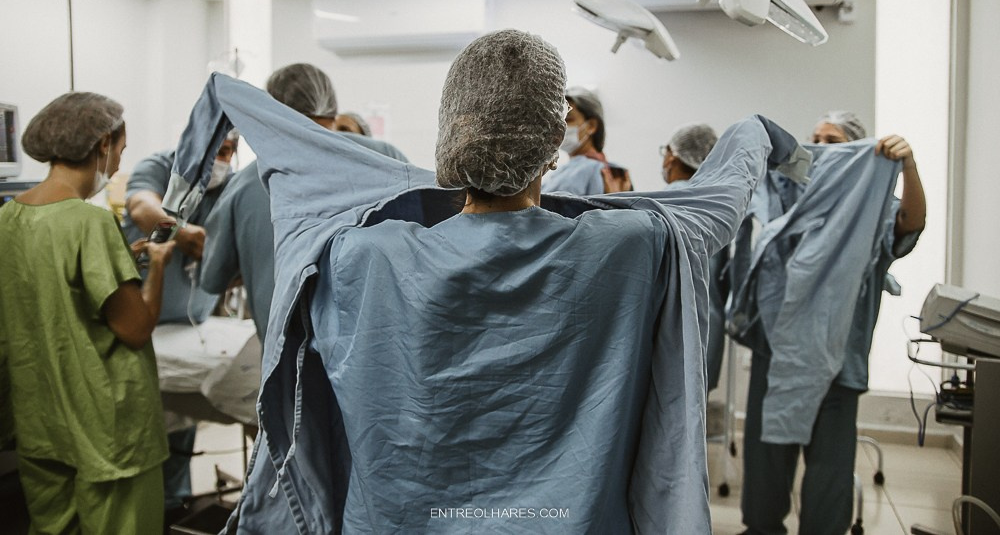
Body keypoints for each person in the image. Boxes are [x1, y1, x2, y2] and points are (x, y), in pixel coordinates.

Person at [165, 29, 810, 533]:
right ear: (554, 142)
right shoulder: (634, 244)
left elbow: (300, 187)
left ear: (451, 133)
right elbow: (721, 198)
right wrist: (766, 136)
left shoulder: (359, 257)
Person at [737, 110, 926, 535]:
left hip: (837, 357)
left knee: (828, 472)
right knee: (766, 462)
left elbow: (910, 224)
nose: (820, 147)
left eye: (834, 141)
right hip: (778, 351)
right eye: (814, 138)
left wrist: (907, 166)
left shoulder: (870, 209)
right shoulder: (789, 195)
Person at [0, 92, 174, 533]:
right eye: (120, 151)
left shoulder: (8, 219)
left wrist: (118, 260)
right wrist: (156, 266)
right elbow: (134, 328)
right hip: (108, 432)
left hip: (41, 427)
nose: (117, 165)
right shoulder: (90, 222)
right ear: (101, 145)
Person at [201, 63, 409, 341]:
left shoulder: (247, 183)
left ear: (270, 111)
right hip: (375, 363)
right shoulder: (386, 159)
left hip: (287, 371)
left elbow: (213, 279)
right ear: (332, 109)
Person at [121, 130, 239, 519]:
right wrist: (181, 233)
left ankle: (174, 504)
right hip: (144, 321)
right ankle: (155, 509)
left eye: (230, 150)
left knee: (182, 423)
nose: (224, 158)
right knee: (150, 431)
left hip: (194, 324)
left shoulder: (232, 185)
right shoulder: (158, 168)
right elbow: (142, 208)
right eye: (217, 149)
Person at [660, 124, 727, 392]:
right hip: (707, 332)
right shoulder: (718, 207)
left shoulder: (661, 204)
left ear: (671, 156)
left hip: (669, 333)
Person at [542, 86, 632, 195]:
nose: (559, 127)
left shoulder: (608, 173)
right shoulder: (564, 171)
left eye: (568, 120)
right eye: (558, 121)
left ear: (591, 126)